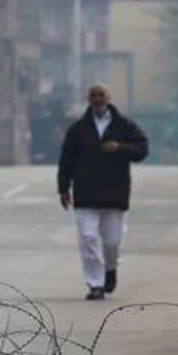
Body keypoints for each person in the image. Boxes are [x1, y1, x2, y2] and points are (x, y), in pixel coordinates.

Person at [57, 84, 149, 301]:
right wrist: (63, 188)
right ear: (88, 99)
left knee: (112, 242)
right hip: (85, 193)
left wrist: (120, 148)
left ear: (108, 97)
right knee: (88, 238)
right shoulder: (78, 129)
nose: (97, 99)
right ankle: (95, 283)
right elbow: (66, 160)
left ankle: (110, 269)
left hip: (114, 192)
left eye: (101, 95)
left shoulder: (123, 126)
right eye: (93, 95)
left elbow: (142, 149)